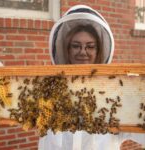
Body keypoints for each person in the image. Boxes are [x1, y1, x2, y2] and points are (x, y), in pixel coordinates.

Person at [38, 5, 145, 150]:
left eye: (90, 46)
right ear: (67, 50)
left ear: (98, 51)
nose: (83, 52)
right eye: (76, 46)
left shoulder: (115, 96)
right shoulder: (48, 91)